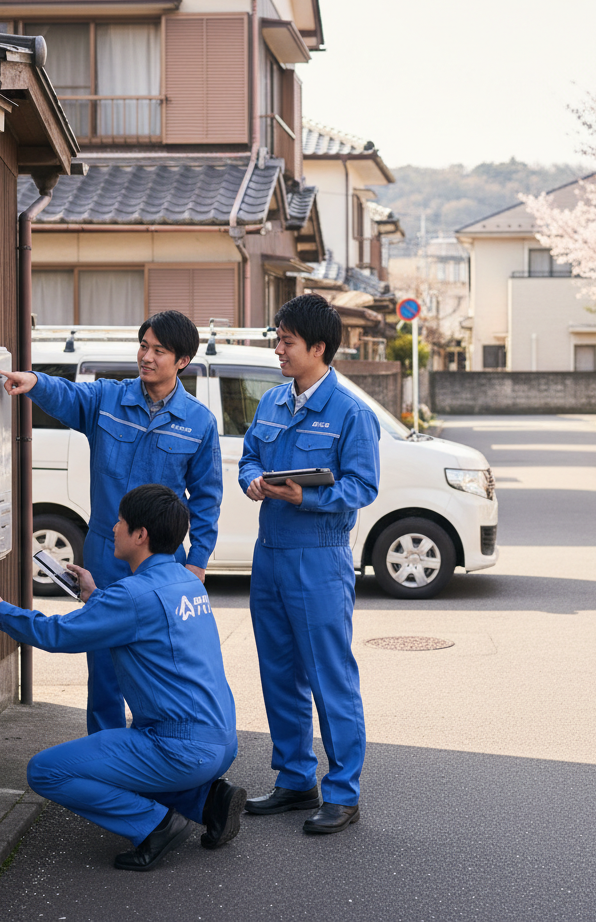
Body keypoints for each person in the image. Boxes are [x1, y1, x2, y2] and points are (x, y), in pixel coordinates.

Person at [0, 485, 244, 871]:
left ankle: (156, 825)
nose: (113, 528)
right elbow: (139, 618)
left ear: (140, 535)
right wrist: (95, 595)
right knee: (116, 758)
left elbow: (56, 634)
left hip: (179, 749)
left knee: (46, 771)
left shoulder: (131, 596)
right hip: (221, 741)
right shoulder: (185, 582)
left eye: (121, 522)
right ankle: (206, 801)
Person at [1, 310, 222, 734]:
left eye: (159, 350)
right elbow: (68, 395)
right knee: (102, 665)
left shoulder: (199, 422)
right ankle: (106, 755)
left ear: (182, 362)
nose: (147, 356)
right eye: (144, 346)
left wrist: (197, 562)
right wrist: (34, 381)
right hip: (107, 548)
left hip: (162, 562)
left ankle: (156, 753)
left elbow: (208, 498)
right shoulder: (108, 399)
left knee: (154, 664)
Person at [238, 294, 380, 835]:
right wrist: (251, 478)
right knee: (279, 673)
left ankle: (343, 793)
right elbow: (250, 453)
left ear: (318, 348)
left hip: (319, 559)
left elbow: (362, 486)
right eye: (277, 339)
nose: (279, 349)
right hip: (269, 554)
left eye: (287, 342)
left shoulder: (352, 414)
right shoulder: (272, 402)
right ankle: (296, 779)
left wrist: (307, 498)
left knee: (329, 677)